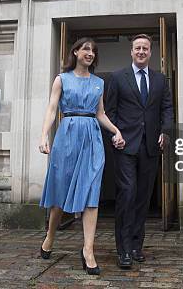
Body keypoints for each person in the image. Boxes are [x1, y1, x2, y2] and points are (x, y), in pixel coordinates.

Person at [38, 37, 125, 276]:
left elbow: (100, 114)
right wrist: (44, 135)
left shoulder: (99, 83)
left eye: (93, 51)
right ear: (75, 52)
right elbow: (52, 108)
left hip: (92, 140)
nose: (90, 53)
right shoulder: (61, 79)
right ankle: (50, 236)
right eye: (86, 49)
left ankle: (88, 251)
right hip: (67, 136)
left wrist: (116, 130)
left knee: (91, 193)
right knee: (60, 195)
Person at [106, 33, 173, 269]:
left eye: (145, 48)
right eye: (137, 48)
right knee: (128, 193)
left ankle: (136, 246)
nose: (141, 52)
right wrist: (115, 134)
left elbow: (167, 108)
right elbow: (109, 111)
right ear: (131, 52)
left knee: (143, 198)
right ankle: (123, 249)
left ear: (150, 52)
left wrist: (165, 132)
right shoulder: (117, 78)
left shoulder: (159, 80)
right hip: (125, 147)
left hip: (150, 148)